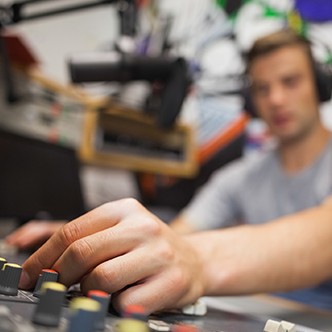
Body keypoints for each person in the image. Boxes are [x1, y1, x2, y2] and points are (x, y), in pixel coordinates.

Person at [10, 29, 332, 311]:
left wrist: (195, 260)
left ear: (319, 86)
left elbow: (323, 238)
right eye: (262, 88)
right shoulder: (238, 177)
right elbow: (177, 237)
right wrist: (99, 240)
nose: (276, 99)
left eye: (290, 82)